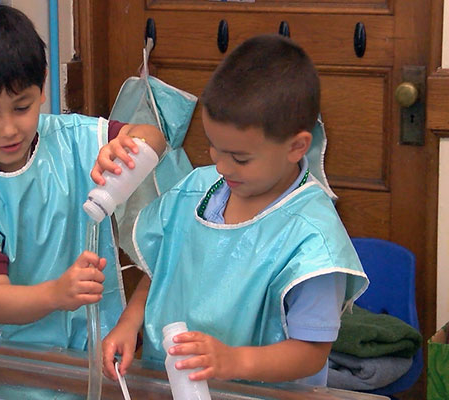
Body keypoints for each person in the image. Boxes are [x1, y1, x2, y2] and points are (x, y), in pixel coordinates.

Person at [102, 34, 369, 386]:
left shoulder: (312, 240)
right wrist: (129, 323)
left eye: (240, 158)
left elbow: (310, 353)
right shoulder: (196, 191)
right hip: (173, 387)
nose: (223, 166)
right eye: (214, 147)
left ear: (296, 146)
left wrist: (233, 361)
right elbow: (163, 268)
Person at [0, 5, 166, 349]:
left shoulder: (74, 138)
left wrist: (131, 147)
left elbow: (153, 137)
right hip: (29, 365)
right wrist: (57, 293)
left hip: (102, 344)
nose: (9, 129)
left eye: (22, 107)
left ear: (41, 87)